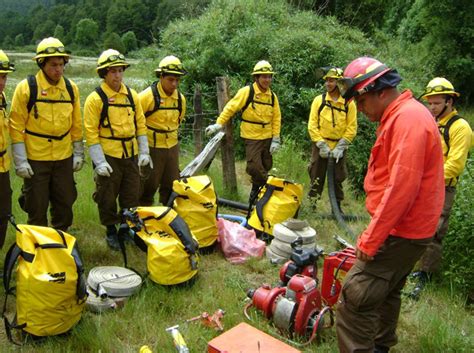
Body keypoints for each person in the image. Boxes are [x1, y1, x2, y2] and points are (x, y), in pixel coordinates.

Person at [334, 57, 445, 353]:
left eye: (361, 99)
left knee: (355, 298)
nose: (359, 108)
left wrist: (371, 239)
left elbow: (401, 190)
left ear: (380, 90)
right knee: (386, 292)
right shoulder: (402, 115)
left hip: (401, 231)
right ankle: (380, 346)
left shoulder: (408, 120)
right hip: (412, 230)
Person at [9, 37, 83, 231]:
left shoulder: (70, 89)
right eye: (53, 65)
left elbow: (76, 124)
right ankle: (38, 243)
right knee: (36, 204)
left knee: (65, 201)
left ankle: (61, 237)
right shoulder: (26, 88)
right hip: (36, 158)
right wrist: (21, 161)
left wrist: (78, 152)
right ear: (41, 64)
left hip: (63, 157)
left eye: (61, 64)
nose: (58, 69)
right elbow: (16, 125)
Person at [409, 78, 472, 299]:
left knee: (434, 232)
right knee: (415, 225)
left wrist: (429, 180)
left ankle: (425, 274)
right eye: (430, 103)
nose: (432, 107)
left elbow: (455, 164)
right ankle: (411, 267)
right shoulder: (431, 122)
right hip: (421, 184)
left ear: (449, 101)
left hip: (443, 189)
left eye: (436, 103)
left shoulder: (460, 127)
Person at [84, 49, 151, 250]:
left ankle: (125, 228)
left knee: (131, 192)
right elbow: (90, 132)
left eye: (120, 70)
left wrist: (145, 152)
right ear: (103, 73)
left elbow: (141, 124)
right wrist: (99, 161)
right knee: (106, 195)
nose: (117, 75)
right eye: (112, 71)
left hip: (131, 154)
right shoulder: (95, 99)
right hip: (108, 155)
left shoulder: (132, 96)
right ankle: (111, 230)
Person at [205, 60, 282, 202]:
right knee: (255, 167)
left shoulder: (272, 97)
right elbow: (231, 107)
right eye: (263, 76)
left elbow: (276, 118)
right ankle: (270, 191)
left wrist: (276, 138)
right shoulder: (247, 92)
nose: (267, 80)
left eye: (269, 76)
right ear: (256, 77)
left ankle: (255, 196)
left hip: (267, 137)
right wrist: (218, 124)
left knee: (266, 165)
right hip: (252, 136)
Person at [139, 55, 187, 205]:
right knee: (148, 184)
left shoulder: (180, 99)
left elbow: (179, 120)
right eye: (170, 79)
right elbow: (135, 122)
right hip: (152, 147)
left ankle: (168, 215)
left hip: (172, 146)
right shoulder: (147, 97)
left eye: (177, 80)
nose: (174, 84)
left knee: (172, 183)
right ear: (161, 76)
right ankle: (143, 215)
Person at [307, 67, 357, 211]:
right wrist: (321, 144)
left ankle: (337, 207)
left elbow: (352, 127)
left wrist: (341, 146)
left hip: (338, 147)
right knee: (316, 175)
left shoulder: (349, 103)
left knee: (337, 178)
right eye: (327, 81)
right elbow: (312, 125)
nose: (328, 84)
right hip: (321, 145)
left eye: (332, 80)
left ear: (340, 83)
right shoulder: (319, 100)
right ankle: (312, 204)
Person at [0, 50, 15, 249]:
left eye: (3, 76)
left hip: (3, 168)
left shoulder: (2, 98)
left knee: (3, 214)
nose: (2, 82)